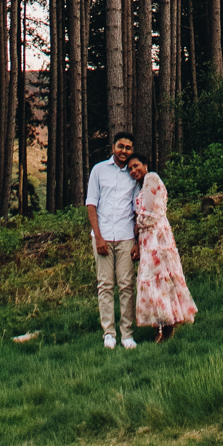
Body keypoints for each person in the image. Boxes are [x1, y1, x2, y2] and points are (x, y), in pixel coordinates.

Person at [128, 154, 197, 342]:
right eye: (131, 169)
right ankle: (166, 322)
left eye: (136, 166)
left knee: (160, 279)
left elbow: (150, 215)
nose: (134, 170)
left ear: (145, 165)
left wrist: (136, 225)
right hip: (148, 240)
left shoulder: (152, 178)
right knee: (155, 280)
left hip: (157, 239)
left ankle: (167, 325)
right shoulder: (141, 186)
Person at [85, 132, 140, 350]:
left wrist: (137, 242)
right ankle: (109, 333)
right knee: (105, 285)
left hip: (126, 236)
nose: (124, 151)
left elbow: (137, 210)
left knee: (127, 285)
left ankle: (127, 333)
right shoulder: (99, 170)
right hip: (103, 236)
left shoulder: (133, 172)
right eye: (121, 146)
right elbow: (91, 205)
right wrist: (98, 237)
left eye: (128, 147)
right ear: (113, 147)